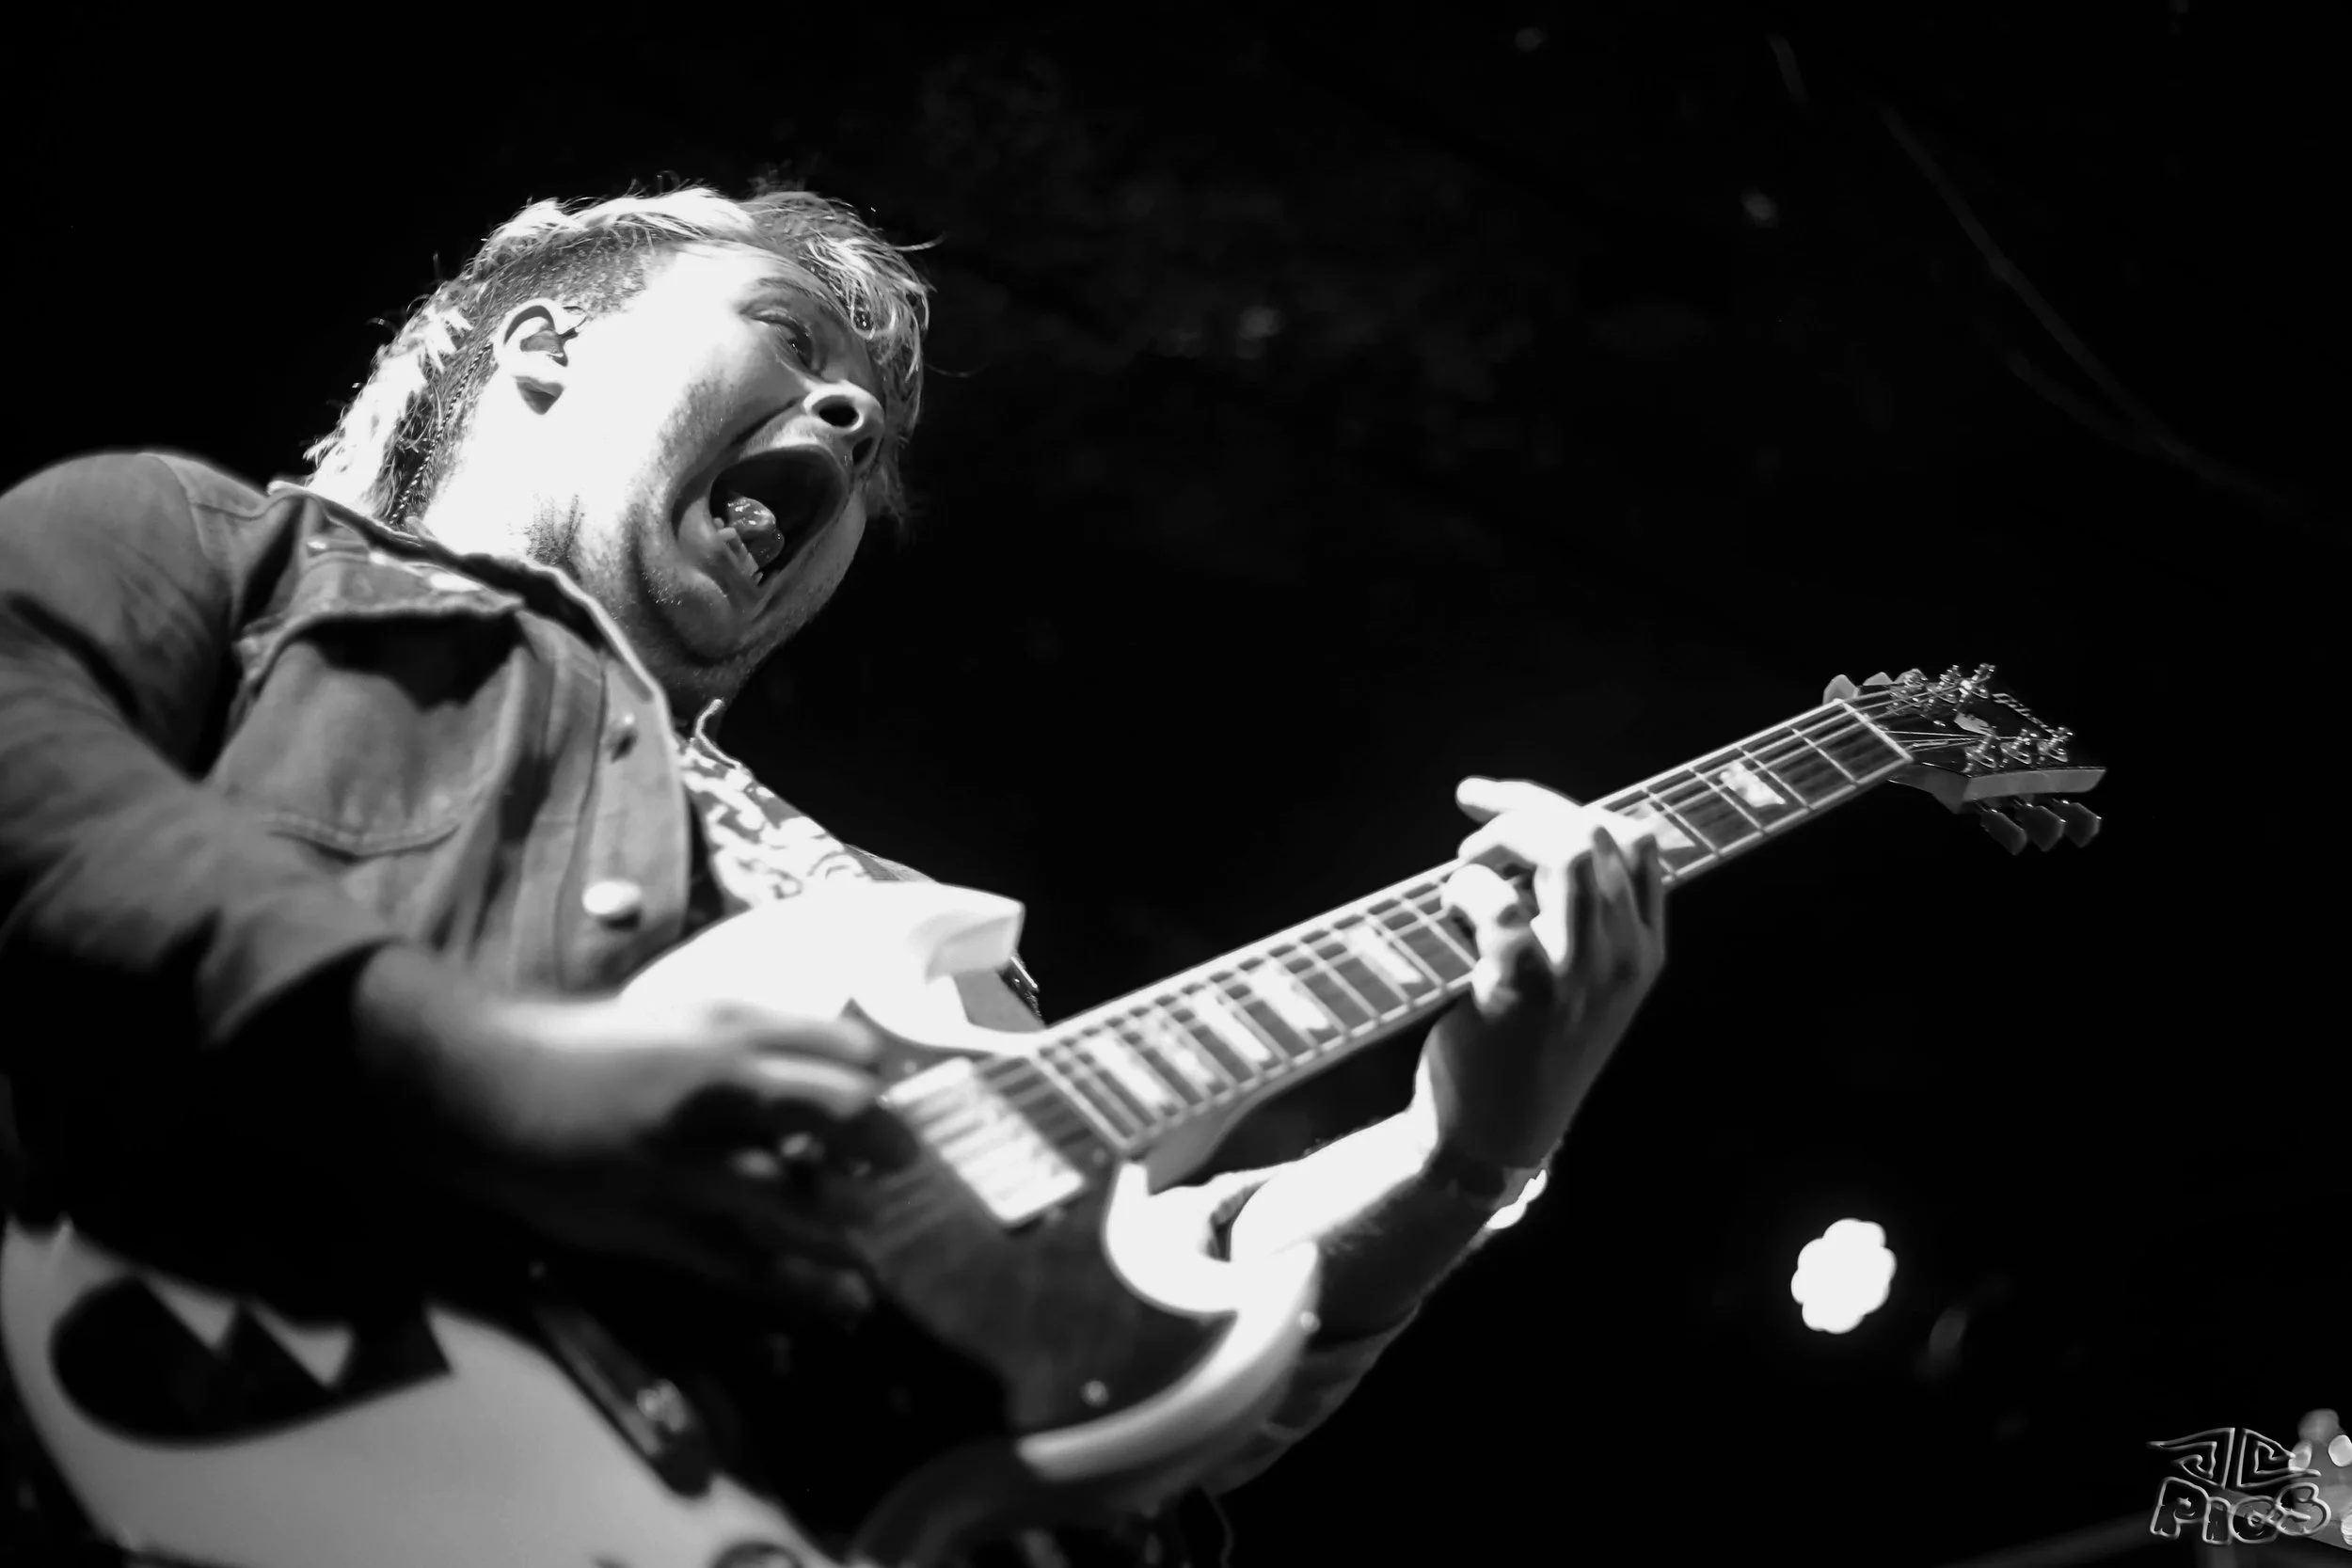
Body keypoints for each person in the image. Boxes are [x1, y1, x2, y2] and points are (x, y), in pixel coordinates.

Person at [0, 174, 1667, 1567]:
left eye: (868, 461)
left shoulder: (906, 938)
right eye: (789, 340)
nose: (853, 427)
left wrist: (1457, 1156)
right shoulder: (212, 555)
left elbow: (1097, 1372)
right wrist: (490, 1072)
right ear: (544, 344)